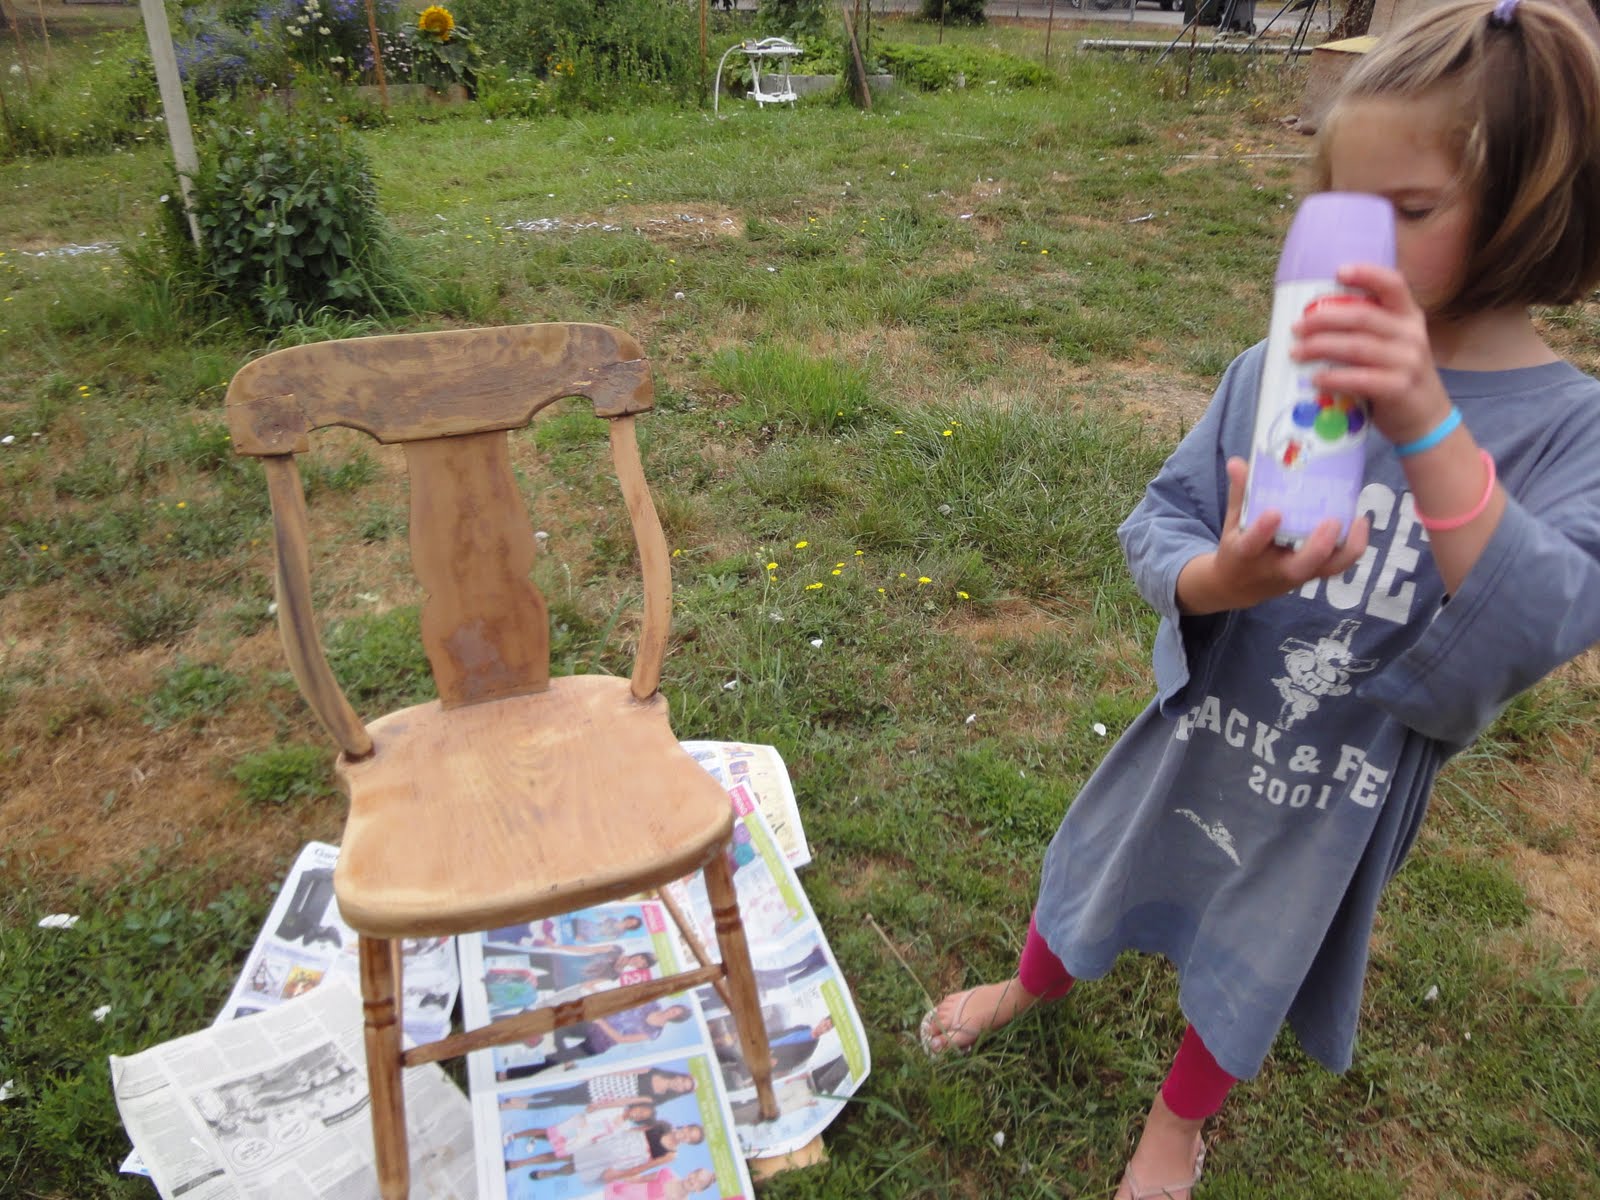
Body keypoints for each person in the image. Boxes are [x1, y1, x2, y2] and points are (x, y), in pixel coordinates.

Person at [920, 3, 1600, 1197]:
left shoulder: (1566, 431)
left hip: (1341, 785)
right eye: (1340, 209)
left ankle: (1179, 1120)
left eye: (1410, 213)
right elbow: (1158, 518)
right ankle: (1031, 982)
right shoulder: (1273, 371)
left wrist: (1425, 422)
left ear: (1534, 210)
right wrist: (1214, 580)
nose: (1359, 253)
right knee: (1098, 862)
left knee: (1255, 955)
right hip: (1204, 723)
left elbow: (1541, 620)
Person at [508, 1120, 704, 1184]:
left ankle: (551, 1173)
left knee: (574, 1167)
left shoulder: (672, 1154)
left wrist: (619, 1174)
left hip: (623, 1159)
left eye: (690, 1138)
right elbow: (634, 1130)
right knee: (566, 1153)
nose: (685, 1135)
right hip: (615, 1142)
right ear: (685, 1126)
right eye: (688, 1131)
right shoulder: (664, 1125)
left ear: (689, 1143)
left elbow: (646, 1166)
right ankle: (519, 1163)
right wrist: (606, 1135)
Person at [502, 1100, 657, 1157]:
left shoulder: (626, 1126)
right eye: (641, 1110)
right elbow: (595, 1113)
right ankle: (514, 1135)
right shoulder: (619, 1107)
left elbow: (607, 1137)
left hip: (585, 1138)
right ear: (637, 1105)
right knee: (549, 1133)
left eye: (642, 1116)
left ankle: (533, 1139)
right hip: (581, 1124)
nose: (638, 1114)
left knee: (558, 1146)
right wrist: (584, 1126)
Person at [495, 1067, 697, 1105]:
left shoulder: (659, 1097)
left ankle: (517, 1103)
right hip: (605, 1081)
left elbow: (631, 1100)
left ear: (679, 1092)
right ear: (679, 1076)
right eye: (682, 1081)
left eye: (683, 1088)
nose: (680, 1084)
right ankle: (521, 1098)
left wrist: (604, 1104)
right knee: (559, 1092)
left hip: (606, 1095)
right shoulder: (654, 1070)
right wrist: (601, 1074)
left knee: (561, 1102)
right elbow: (626, 1071)